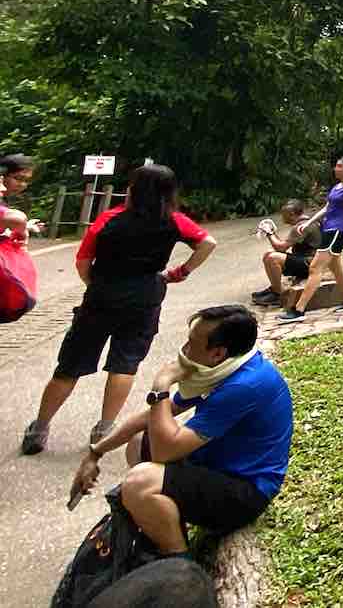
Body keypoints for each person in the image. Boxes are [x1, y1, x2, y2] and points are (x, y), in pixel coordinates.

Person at [69, 305, 293, 559]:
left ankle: (178, 562)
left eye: (191, 343)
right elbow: (151, 417)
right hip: (216, 466)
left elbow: (164, 452)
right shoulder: (228, 367)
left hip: (246, 491)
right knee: (138, 442)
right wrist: (96, 452)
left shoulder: (243, 386)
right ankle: (166, 523)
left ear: (217, 353)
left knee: (139, 483)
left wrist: (161, 385)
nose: (184, 350)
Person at [23, 164, 217, 455]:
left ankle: (39, 429)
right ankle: (104, 429)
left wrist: (95, 284)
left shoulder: (109, 219)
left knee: (70, 366)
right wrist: (181, 271)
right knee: (124, 364)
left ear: (133, 190)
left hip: (102, 297)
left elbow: (83, 262)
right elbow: (207, 242)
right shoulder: (174, 220)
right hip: (145, 296)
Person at [275, 157, 343, 324]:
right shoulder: (337, 187)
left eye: (340, 166)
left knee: (315, 268)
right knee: (337, 268)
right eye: (336, 166)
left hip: (338, 231)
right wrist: (308, 223)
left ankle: (299, 310)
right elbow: (327, 208)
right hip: (329, 230)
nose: (336, 169)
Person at [251, 200, 318, 307]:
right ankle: (275, 288)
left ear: (291, 214)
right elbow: (283, 246)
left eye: (283, 215)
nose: (282, 218)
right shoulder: (306, 222)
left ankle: (278, 295)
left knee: (272, 258)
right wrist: (273, 233)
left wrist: (269, 233)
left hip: (310, 264)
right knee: (269, 254)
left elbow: (280, 247)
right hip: (307, 260)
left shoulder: (301, 227)